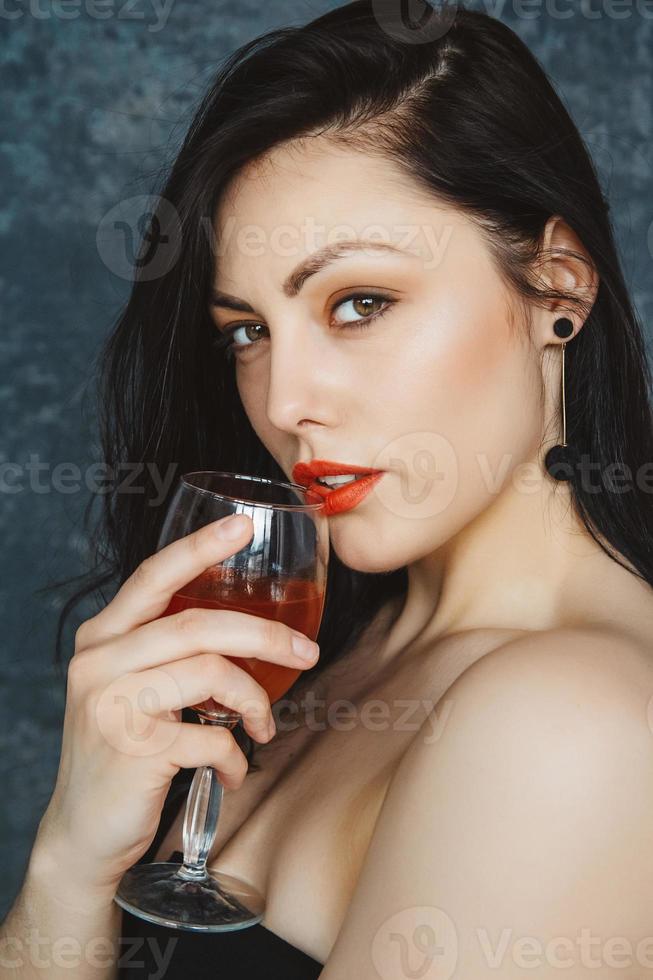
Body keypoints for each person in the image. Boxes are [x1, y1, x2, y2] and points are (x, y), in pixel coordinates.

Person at [3, 1, 653, 977]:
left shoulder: (573, 727)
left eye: (357, 302)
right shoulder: (323, 642)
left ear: (556, 286)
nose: (285, 400)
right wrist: (68, 861)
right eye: (246, 331)